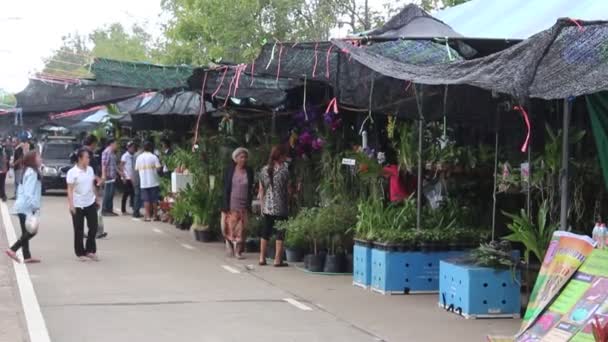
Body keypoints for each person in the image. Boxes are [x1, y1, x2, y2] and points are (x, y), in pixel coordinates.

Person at [5, 151, 42, 264]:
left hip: (22, 205)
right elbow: (29, 192)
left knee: (25, 231)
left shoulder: (28, 171)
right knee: (32, 231)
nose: (41, 159)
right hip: (26, 206)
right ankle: (13, 249)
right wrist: (34, 207)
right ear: (32, 160)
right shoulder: (32, 172)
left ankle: (27, 256)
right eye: (38, 157)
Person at [258, 145, 290, 267]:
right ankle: (277, 260)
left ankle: (262, 258)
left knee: (265, 231)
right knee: (280, 232)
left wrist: (262, 205)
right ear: (281, 156)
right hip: (281, 206)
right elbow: (287, 190)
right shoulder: (285, 170)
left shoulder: (264, 170)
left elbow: (261, 190)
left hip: (267, 206)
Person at [67, 149, 100, 262]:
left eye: (89, 157)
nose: (88, 159)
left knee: (94, 227)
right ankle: (80, 252)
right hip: (78, 204)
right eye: (86, 157)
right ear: (80, 159)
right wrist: (71, 205)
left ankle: (90, 250)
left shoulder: (90, 170)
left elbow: (92, 185)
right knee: (79, 229)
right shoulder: (72, 172)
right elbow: (70, 190)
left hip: (90, 202)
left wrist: (97, 197)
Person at [222, 148, 254, 259]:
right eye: (241, 157)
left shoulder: (249, 171)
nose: (244, 159)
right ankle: (231, 245)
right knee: (232, 227)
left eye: (245, 157)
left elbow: (250, 188)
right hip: (232, 203)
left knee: (243, 228)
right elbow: (225, 187)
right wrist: (225, 204)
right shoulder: (229, 170)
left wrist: (250, 203)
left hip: (244, 203)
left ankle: (238, 250)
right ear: (235, 159)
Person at [135, 141, 161, 222]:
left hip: (144, 182)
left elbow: (136, 169)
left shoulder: (139, 157)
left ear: (143, 148)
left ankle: (148, 216)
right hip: (153, 181)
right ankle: (155, 216)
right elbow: (159, 168)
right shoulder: (154, 157)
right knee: (154, 199)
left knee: (146, 200)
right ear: (150, 148)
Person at [101, 139, 118, 216]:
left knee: (111, 193)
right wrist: (104, 175)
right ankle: (104, 210)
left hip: (113, 176)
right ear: (111, 144)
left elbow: (114, 165)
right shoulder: (106, 152)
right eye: (115, 144)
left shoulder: (112, 153)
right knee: (107, 193)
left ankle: (110, 210)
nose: (116, 145)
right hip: (108, 176)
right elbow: (104, 164)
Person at [119, 142, 136, 215]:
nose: (133, 149)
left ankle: (134, 209)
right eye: (131, 147)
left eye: (133, 147)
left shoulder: (133, 156)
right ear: (128, 148)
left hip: (132, 177)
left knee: (133, 194)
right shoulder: (125, 156)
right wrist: (124, 177)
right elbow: (121, 166)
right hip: (127, 177)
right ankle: (123, 209)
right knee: (126, 194)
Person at [11, 135, 30, 199]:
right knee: (16, 182)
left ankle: (19, 195)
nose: (12, 143)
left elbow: (20, 158)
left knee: (18, 182)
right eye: (12, 141)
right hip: (17, 167)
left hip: (19, 167)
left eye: (14, 142)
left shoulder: (18, 149)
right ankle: (16, 195)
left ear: (17, 142)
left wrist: (14, 164)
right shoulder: (17, 148)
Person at [131, 143, 144, 218]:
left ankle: (136, 211)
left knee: (137, 194)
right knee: (138, 195)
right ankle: (136, 211)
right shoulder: (139, 155)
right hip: (138, 177)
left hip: (135, 176)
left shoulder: (135, 155)